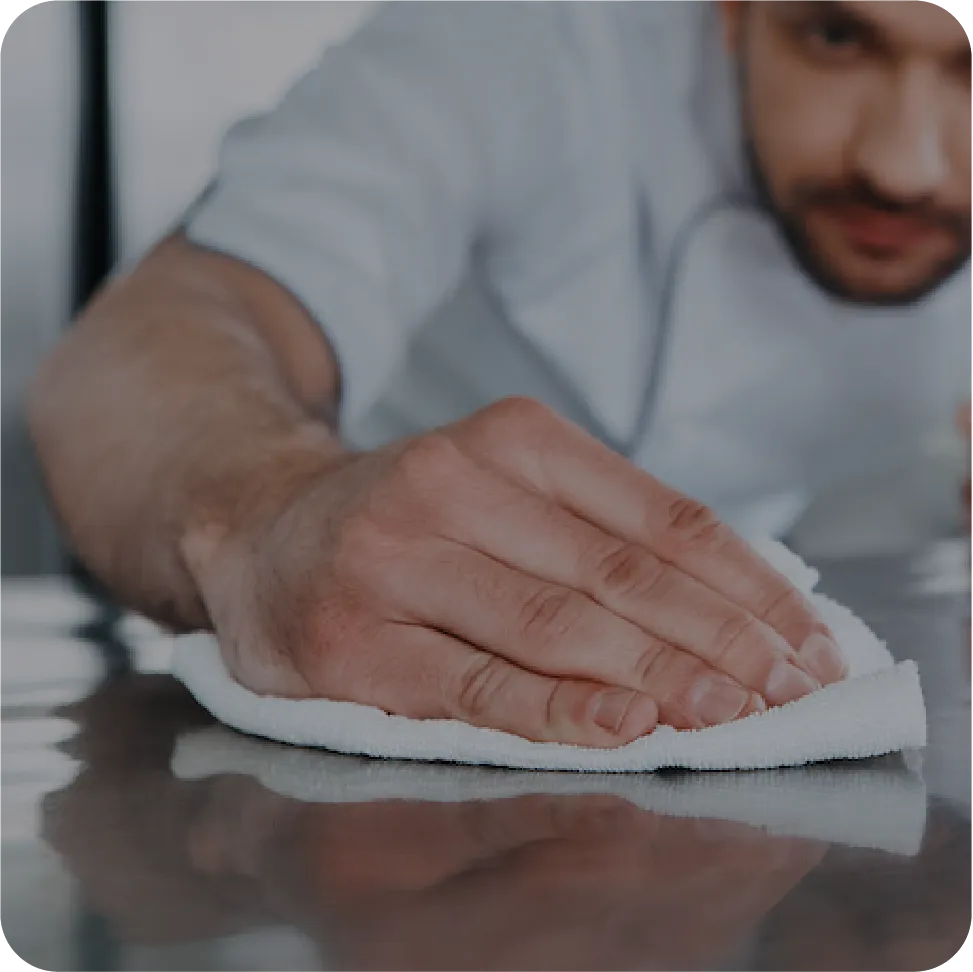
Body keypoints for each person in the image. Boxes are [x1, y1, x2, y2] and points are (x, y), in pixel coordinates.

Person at [28, 0, 971, 746]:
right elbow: (143, 344)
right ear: (730, 10)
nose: (901, 167)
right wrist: (262, 510)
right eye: (836, 35)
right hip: (367, 696)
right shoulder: (526, 38)